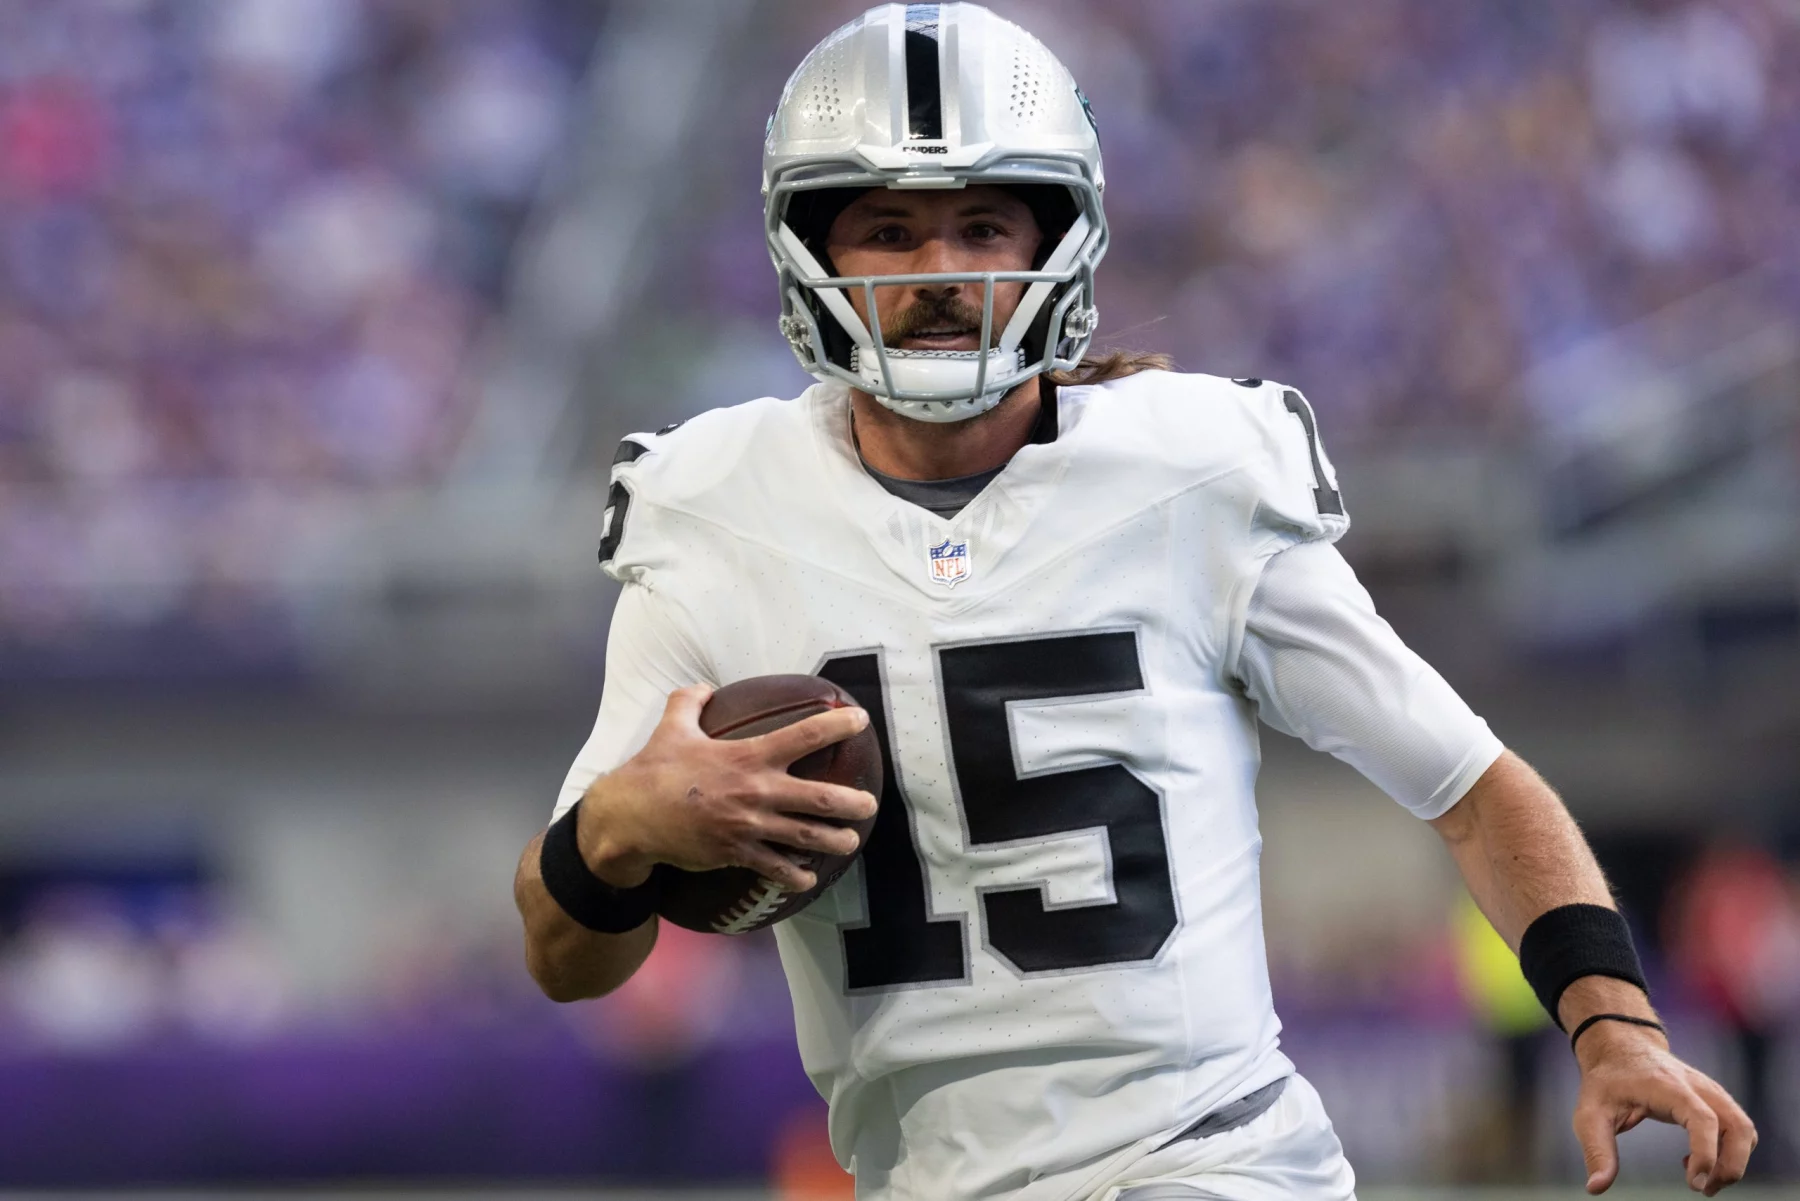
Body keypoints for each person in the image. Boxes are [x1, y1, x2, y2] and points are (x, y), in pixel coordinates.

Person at [513, 6, 1756, 1198]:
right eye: (889, 229)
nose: (941, 273)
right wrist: (622, 826)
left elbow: (1471, 789)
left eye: (984, 227)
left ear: (1059, 240)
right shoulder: (718, 507)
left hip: (1211, 1156)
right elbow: (567, 957)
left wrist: (1613, 1027)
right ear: (810, 250)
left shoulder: (1193, 473)